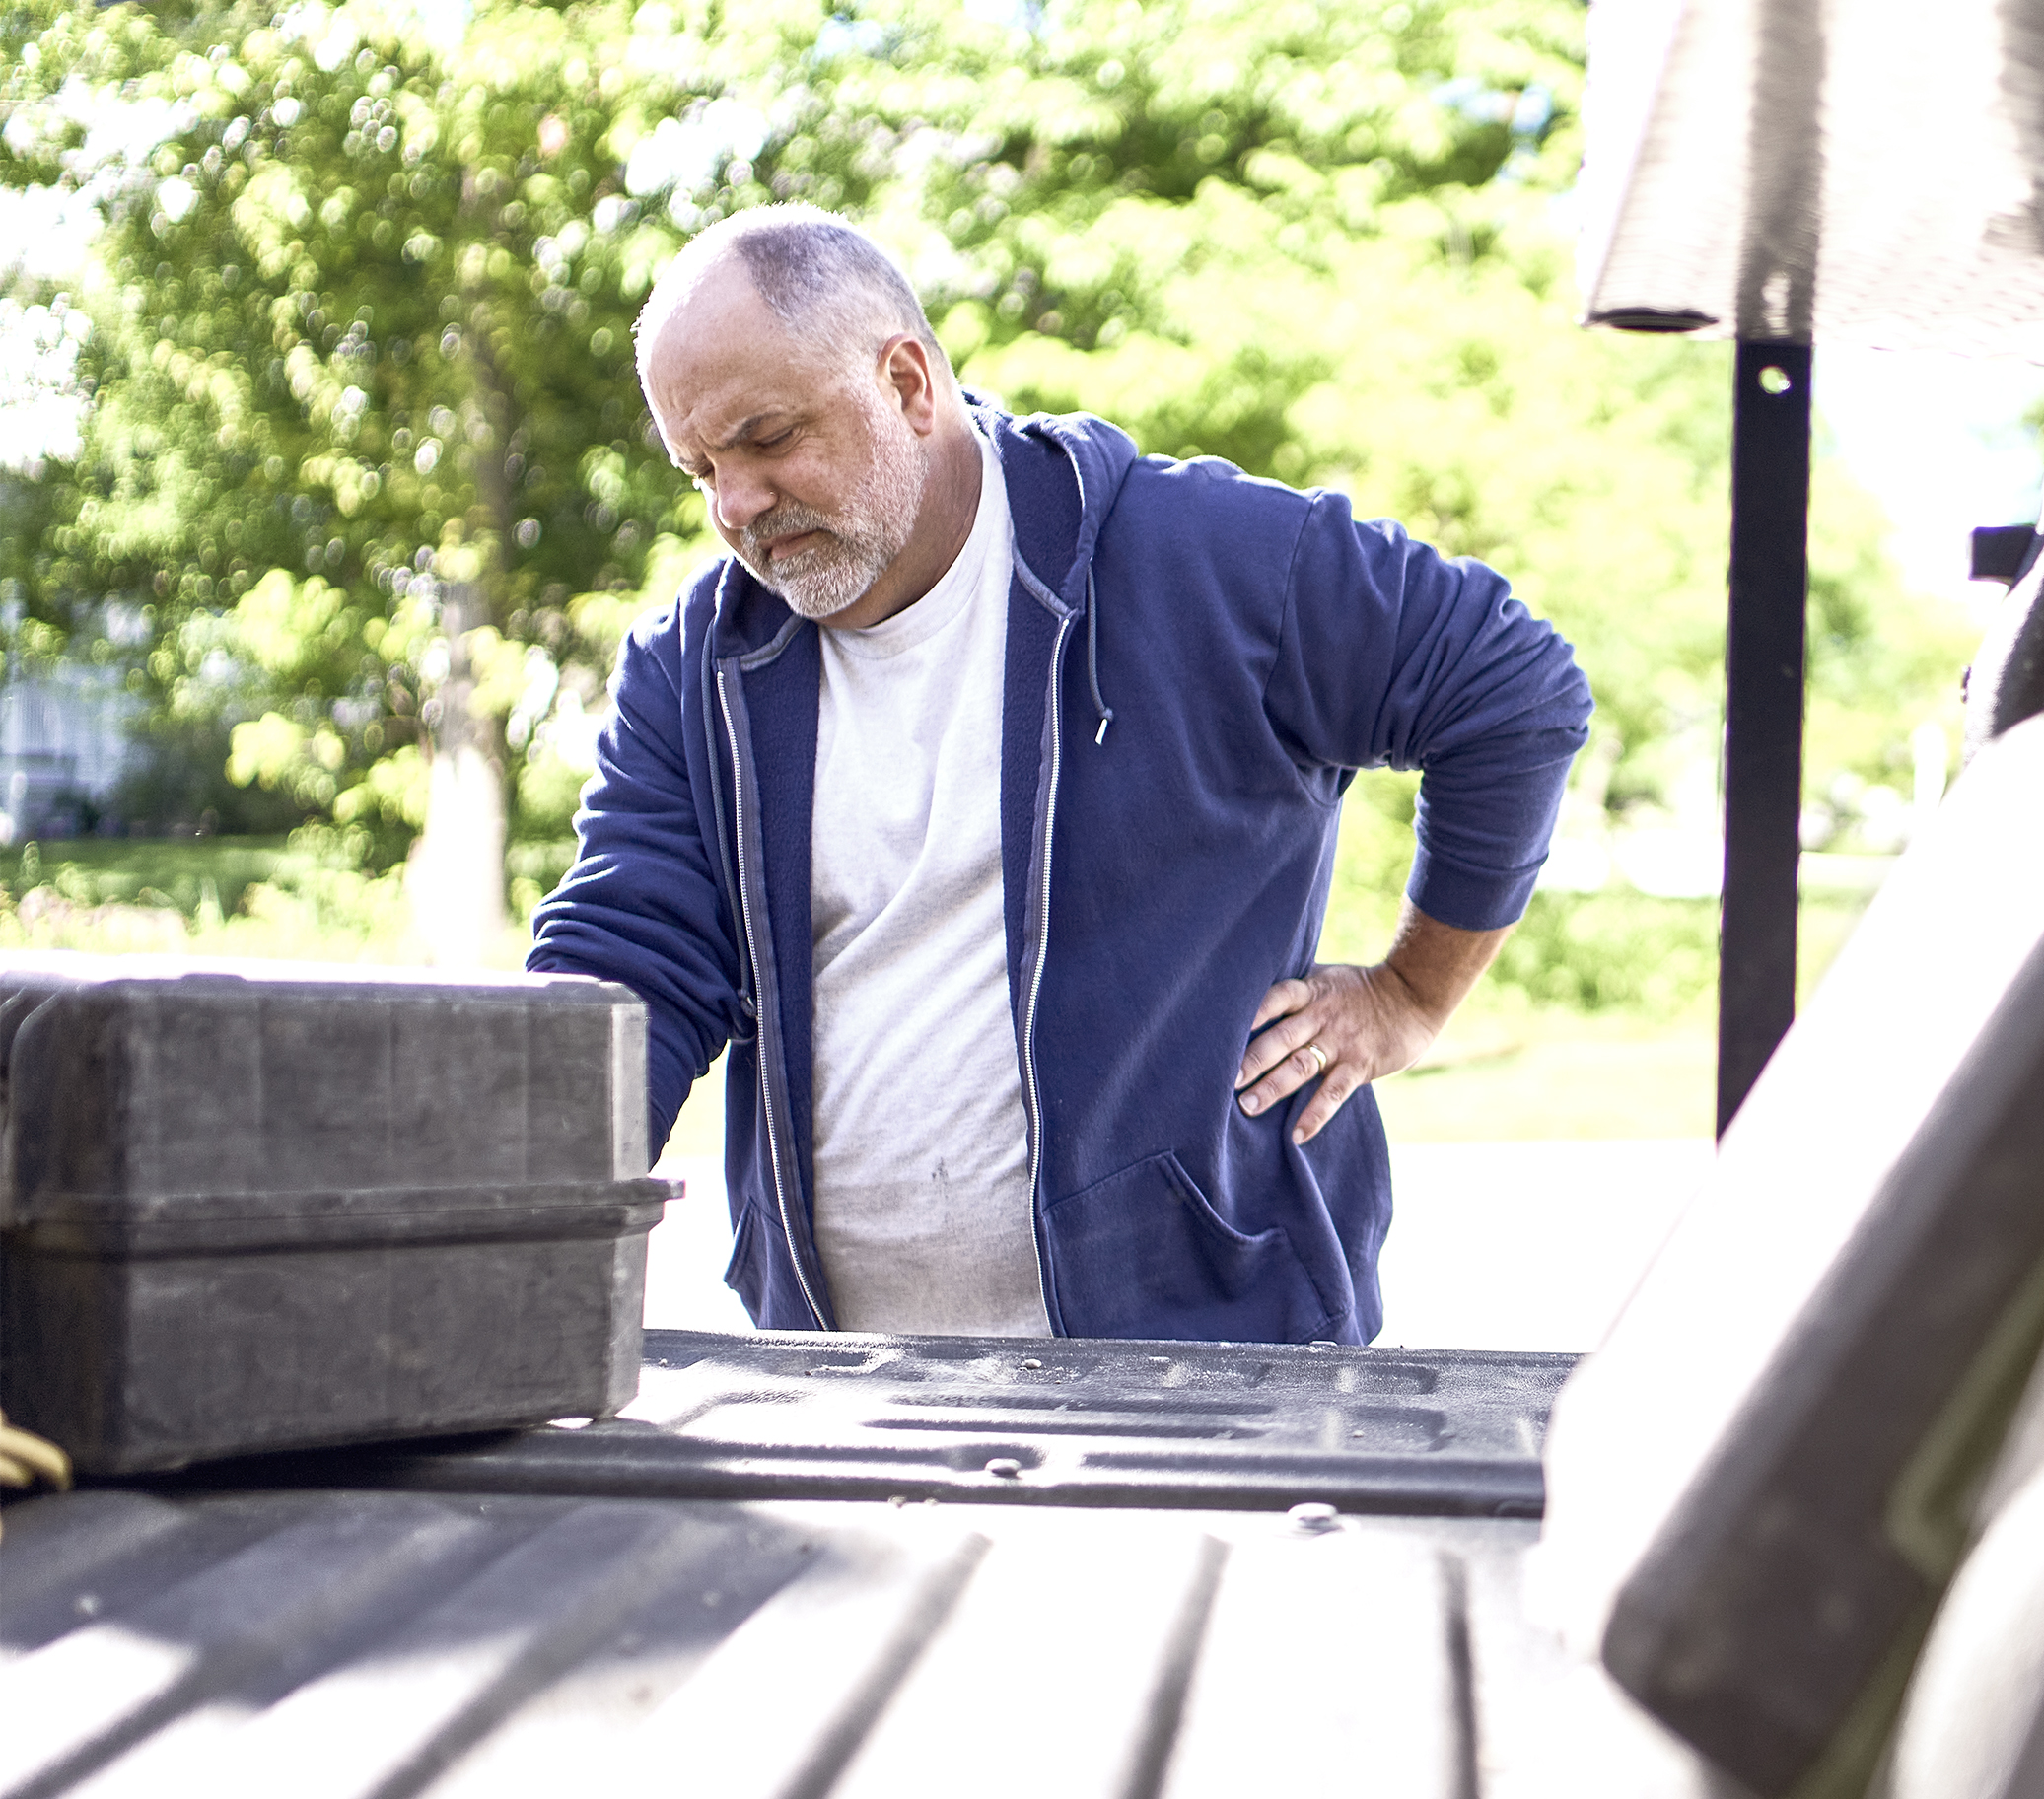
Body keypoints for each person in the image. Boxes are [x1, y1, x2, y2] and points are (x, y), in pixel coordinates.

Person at [528, 205, 1590, 1343]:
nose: (735, 507)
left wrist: (1409, 997)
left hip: (1204, 1373)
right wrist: (513, 1216)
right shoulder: (696, 669)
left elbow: (1510, 686)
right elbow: (629, 967)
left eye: (769, 437)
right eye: (701, 470)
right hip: (840, 1386)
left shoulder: (1195, 558)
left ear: (907, 382)